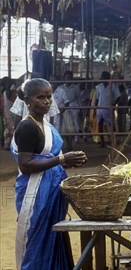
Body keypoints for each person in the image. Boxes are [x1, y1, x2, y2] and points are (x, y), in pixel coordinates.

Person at [10, 78, 87, 270]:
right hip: (35, 194)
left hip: (50, 189)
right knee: (38, 238)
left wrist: (67, 161)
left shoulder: (44, 123)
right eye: (40, 97)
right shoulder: (27, 127)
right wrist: (61, 160)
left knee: (53, 236)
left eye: (49, 96)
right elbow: (26, 164)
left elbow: (49, 156)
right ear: (27, 100)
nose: (46, 101)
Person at [93, 71, 119, 147]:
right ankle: (102, 142)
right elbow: (97, 99)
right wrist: (95, 109)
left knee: (112, 125)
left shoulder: (113, 86)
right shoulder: (99, 87)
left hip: (109, 108)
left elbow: (118, 96)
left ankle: (113, 141)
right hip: (100, 108)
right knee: (100, 125)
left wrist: (114, 105)